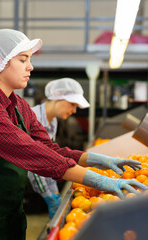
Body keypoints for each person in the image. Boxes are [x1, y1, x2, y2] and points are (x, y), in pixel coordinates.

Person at [0, 29, 148, 240]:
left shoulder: (19, 105)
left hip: (7, 216)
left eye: (29, 59)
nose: (30, 66)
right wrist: (101, 181)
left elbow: (49, 148)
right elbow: (29, 151)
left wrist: (97, 160)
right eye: (23, 60)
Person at [28, 78, 90, 219]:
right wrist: (49, 196)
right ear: (57, 96)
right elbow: (34, 164)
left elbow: (49, 157)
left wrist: (54, 192)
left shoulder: (53, 121)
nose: (74, 110)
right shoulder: (33, 118)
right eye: (72, 104)